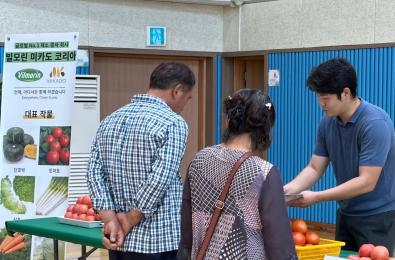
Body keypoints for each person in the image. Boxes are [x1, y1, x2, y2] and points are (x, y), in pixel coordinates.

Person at [284, 58, 395, 254]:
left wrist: (317, 197)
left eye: (325, 98)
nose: (320, 104)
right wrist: (285, 191)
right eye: (318, 97)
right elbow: (314, 168)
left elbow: (366, 181)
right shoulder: (327, 123)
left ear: (345, 93)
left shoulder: (375, 124)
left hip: (377, 217)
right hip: (345, 214)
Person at [87, 62, 196, 260]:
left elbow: (94, 173)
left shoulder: (110, 119)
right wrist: (129, 219)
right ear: (177, 91)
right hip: (158, 241)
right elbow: (160, 178)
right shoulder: (173, 123)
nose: (184, 105)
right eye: (187, 99)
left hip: (118, 239)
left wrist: (109, 218)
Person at [178, 89, 297, 260]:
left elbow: (186, 228)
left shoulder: (199, 160)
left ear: (228, 120)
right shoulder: (264, 173)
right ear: (266, 129)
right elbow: (278, 244)